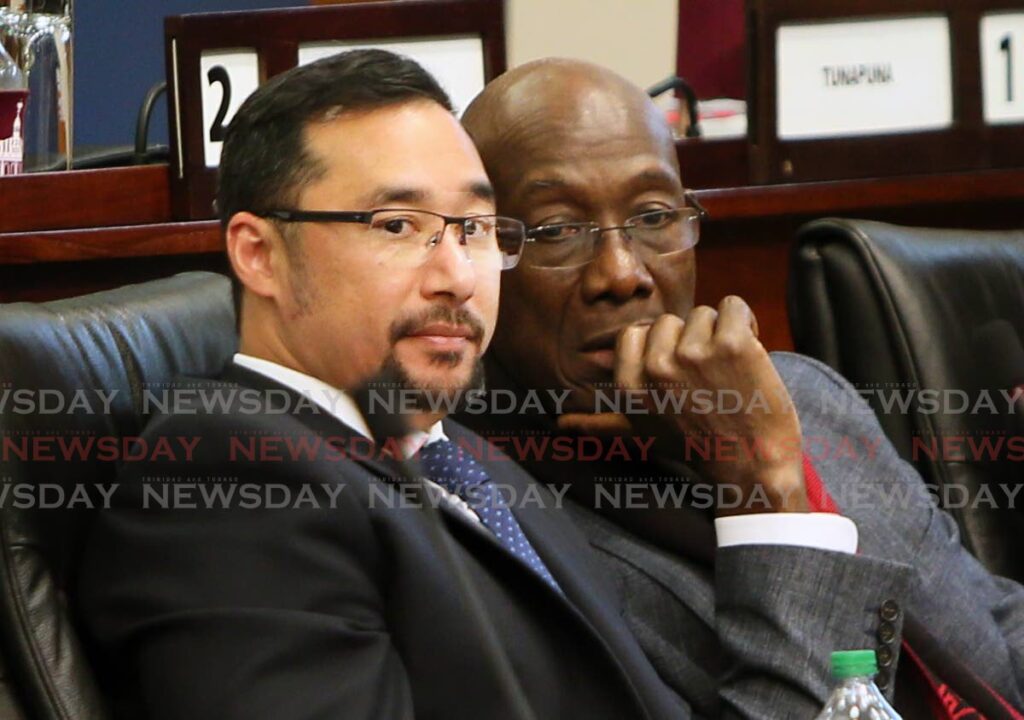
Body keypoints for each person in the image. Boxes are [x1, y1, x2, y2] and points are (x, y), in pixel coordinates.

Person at [76, 50, 837, 720]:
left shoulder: (464, 460)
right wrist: (769, 489)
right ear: (260, 255)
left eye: (476, 228)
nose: (457, 278)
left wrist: (766, 484)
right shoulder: (229, 485)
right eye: (397, 226)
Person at [457, 58, 1024, 719]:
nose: (622, 273)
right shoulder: (488, 528)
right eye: (558, 229)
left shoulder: (803, 396)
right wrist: (768, 495)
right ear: (479, 254)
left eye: (653, 215)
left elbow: (997, 636)